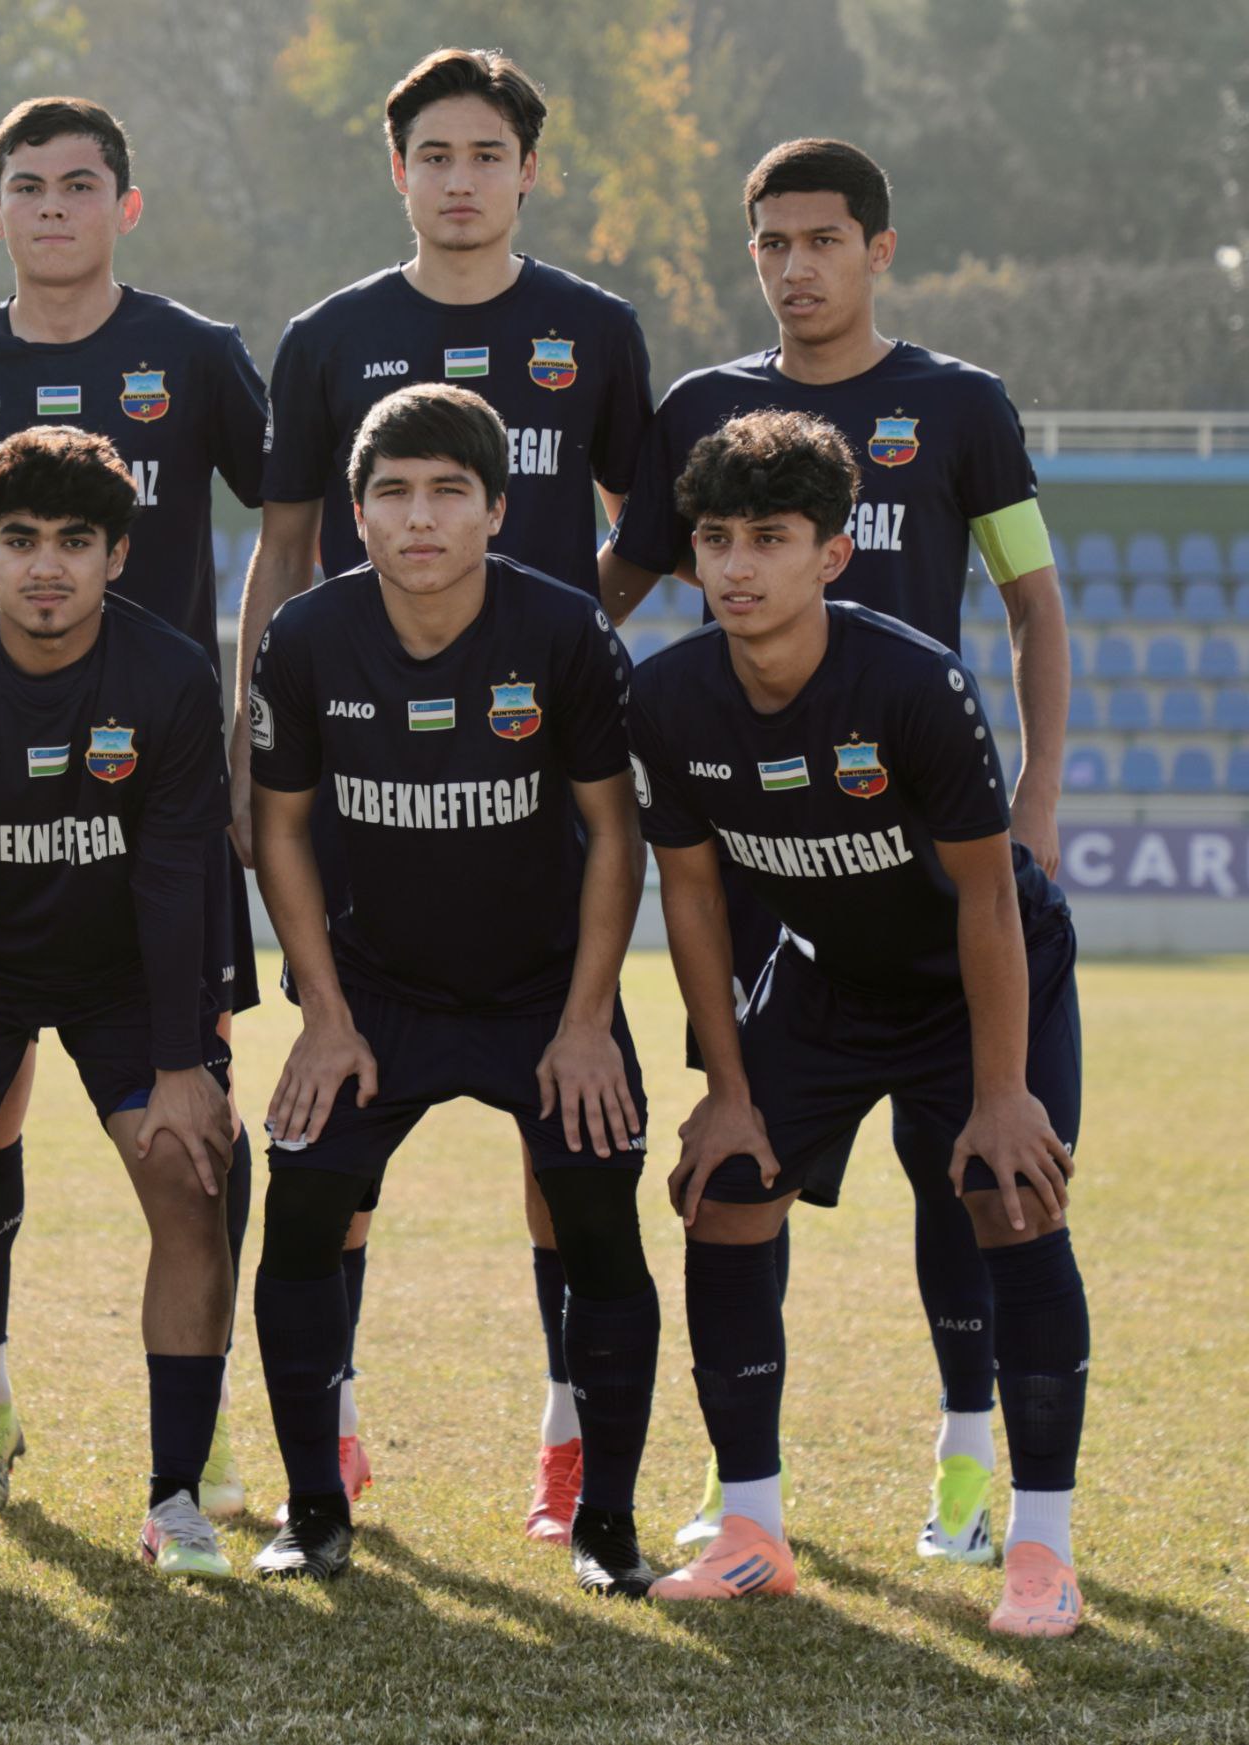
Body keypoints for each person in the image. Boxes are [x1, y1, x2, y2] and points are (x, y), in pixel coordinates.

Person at [600, 137, 1071, 1555]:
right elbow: (618, 587)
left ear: (877, 249)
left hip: (934, 842)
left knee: (965, 1167)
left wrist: (1035, 802)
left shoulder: (959, 404)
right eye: (772, 243)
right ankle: (738, 1482)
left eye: (822, 240)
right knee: (740, 1150)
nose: (796, 268)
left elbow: (1033, 603)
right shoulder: (702, 409)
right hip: (766, 863)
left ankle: (969, 1453)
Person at [235, 47, 657, 1539]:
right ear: (398, 169)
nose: (461, 178)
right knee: (326, 1170)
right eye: (435, 153)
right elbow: (281, 549)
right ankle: (330, 1450)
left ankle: (571, 1455)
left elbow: (648, 522)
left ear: (527, 170)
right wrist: (255, 726)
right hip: (371, 789)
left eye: (487, 153)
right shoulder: (331, 335)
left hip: (531, 795)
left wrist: (551, 639)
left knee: (573, 1171)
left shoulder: (593, 329)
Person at [0, 94, 270, 1516]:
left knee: (196, 1140)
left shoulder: (195, 353)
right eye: (27, 186)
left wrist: (270, 700)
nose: (53, 208)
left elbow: (292, 517)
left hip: (147, 785)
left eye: (80, 185)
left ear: (123, 206)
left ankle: (196, 1442)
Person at [630, 408, 1089, 1640]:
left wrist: (1003, 1092)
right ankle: (749, 1529)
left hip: (974, 976)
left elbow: (988, 897)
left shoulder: (909, 681)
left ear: (831, 554)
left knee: (1012, 1198)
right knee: (726, 1187)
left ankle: (1039, 1548)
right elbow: (691, 899)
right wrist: (727, 1088)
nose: (735, 566)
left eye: (768, 538)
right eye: (714, 539)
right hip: (827, 976)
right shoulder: (666, 697)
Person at [0, 425, 237, 1580]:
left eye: (75, 541)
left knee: (192, 1175)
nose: (46, 566)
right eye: (19, 540)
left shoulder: (170, 674)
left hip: (122, 969)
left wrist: (184, 1063)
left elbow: (174, 875)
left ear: (118, 553)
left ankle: (178, 1500)